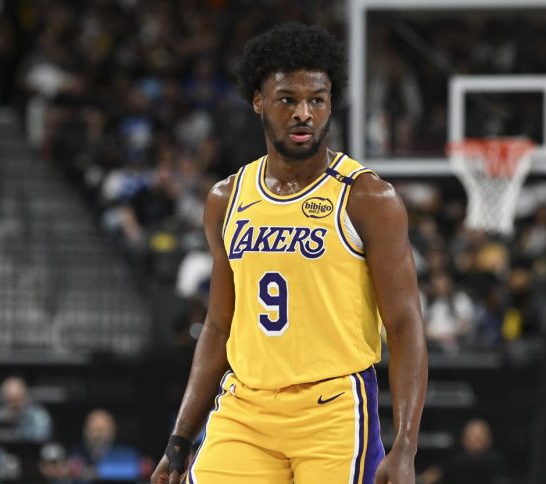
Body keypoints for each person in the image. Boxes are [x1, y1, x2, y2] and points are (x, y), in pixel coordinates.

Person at [151, 23, 427, 484]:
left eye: (316, 100)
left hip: (333, 411)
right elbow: (218, 326)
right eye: (287, 100)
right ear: (259, 101)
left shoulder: (367, 198)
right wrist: (180, 441)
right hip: (245, 408)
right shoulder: (226, 198)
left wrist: (406, 446)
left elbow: (404, 325)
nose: (304, 113)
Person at [67, 409, 153, 482]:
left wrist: (95, 472)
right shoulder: (75, 454)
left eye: (101, 430)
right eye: (92, 430)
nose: (96, 435)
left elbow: (145, 468)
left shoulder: (128, 454)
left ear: (113, 431)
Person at [0, 376, 52, 441]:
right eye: (9, 400)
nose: (12, 405)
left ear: (24, 396)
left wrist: (20, 418)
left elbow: (41, 437)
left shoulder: (38, 415)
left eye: (16, 400)